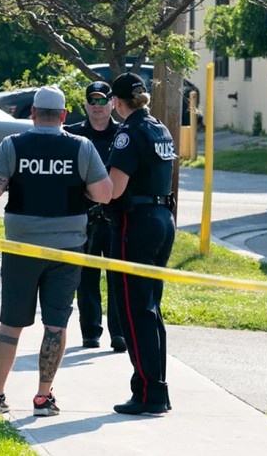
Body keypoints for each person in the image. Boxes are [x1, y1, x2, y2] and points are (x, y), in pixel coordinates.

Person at [0, 85, 113, 417]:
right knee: (55, 324)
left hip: (20, 248)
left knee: (11, 323)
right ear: (64, 115)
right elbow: (104, 194)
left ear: (33, 113)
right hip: (66, 250)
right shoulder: (81, 146)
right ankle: (42, 397)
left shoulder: (13, 145)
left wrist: (9, 178)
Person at [106, 72, 176, 415]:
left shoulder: (128, 133)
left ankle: (149, 393)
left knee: (134, 311)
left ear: (117, 103)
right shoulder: (159, 128)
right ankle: (155, 388)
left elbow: (114, 189)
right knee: (150, 308)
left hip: (137, 224)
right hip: (163, 218)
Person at [64, 81, 126, 353]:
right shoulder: (72, 135)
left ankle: (119, 333)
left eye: (103, 101)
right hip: (84, 217)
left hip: (117, 217)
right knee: (86, 278)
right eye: (93, 101)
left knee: (117, 277)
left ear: (112, 103)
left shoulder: (124, 134)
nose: (98, 106)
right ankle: (90, 333)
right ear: (86, 104)